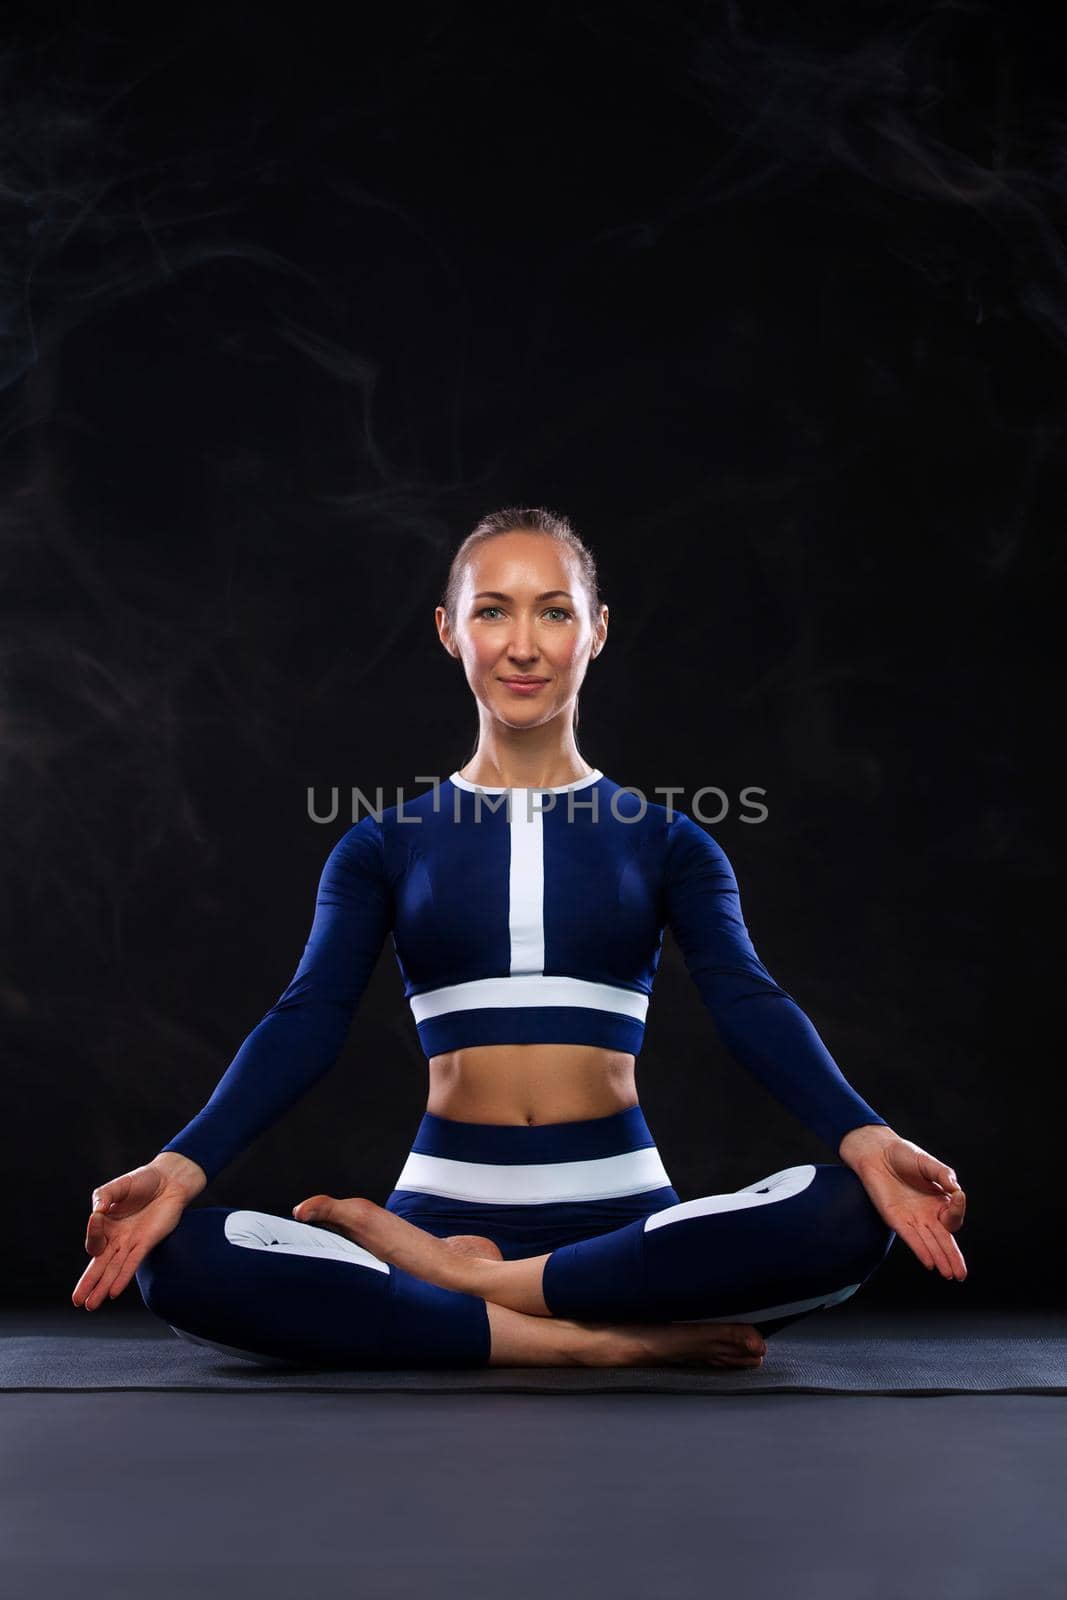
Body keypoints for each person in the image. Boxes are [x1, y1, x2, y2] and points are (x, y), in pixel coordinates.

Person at [72, 507, 967, 1371]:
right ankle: (581, 1339)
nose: (524, 645)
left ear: (598, 630)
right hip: (438, 1209)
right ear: (448, 630)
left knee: (846, 1214)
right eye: (492, 611)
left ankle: (472, 1293)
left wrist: (863, 1135)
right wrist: (181, 1167)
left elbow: (745, 997)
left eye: (554, 611)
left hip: (625, 1225)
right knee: (178, 1258)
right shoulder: (383, 843)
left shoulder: (669, 840)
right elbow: (307, 1016)